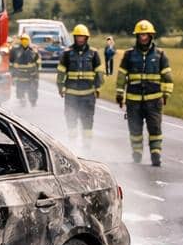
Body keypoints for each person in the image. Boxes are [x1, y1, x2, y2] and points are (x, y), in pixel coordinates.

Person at [116, 19, 174, 166]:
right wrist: (119, 93)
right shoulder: (129, 55)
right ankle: (137, 153)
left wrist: (166, 94)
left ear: (150, 36)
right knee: (135, 129)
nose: (143, 38)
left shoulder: (160, 55)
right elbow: (122, 75)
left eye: (146, 35)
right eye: (141, 35)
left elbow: (168, 77)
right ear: (137, 36)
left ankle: (156, 154)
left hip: (154, 101)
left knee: (155, 128)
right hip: (133, 100)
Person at [56, 24, 104, 145]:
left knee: (87, 119)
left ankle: (86, 144)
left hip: (88, 94)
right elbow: (61, 71)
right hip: (71, 94)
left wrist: (98, 87)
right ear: (75, 37)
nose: (80, 39)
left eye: (82, 37)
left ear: (86, 38)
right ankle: (71, 144)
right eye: (78, 37)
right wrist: (60, 87)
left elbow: (99, 72)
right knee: (71, 118)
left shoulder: (93, 53)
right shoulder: (67, 53)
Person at [10, 33, 40, 107]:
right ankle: (22, 100)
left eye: (26, 40)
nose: (24, 41)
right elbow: (11, 62)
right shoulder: (15, 50)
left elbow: (37, 63)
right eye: (23, 40)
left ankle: (33, 102)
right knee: (20, 89)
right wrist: (13, 76)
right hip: (20, 75)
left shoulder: (33, 51)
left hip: (32, 75)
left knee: (33, 90)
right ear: (20, 41)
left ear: (29, 41)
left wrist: (36, 76)